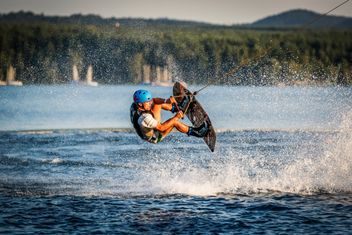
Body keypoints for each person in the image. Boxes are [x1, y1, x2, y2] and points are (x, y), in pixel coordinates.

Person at [130, 89, 208, 143]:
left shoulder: (135, 105)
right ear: (140, 104)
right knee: (174, 122)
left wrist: (166, 101)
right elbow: (161, 128)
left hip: (149, 127)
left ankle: (176, 108)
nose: (150, 103)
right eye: (147, 102)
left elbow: (154, 100)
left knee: (157, 103)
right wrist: (176, 117)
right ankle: (197, 132)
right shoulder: (144, 118)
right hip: (155, 136)